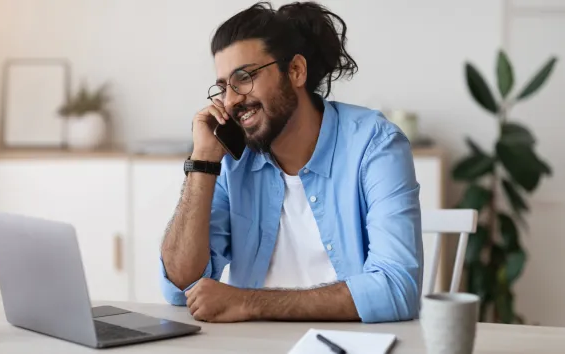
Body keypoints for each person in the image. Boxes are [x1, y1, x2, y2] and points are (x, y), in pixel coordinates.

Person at [159, 1, 423, 324]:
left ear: (295, 71)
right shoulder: (233, 159)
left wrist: (249, 302)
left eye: (244, 77)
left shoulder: (375, 145)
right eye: (224, 86)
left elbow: (397, 289)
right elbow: (180, 285)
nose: (230, 100)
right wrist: (202, 162)